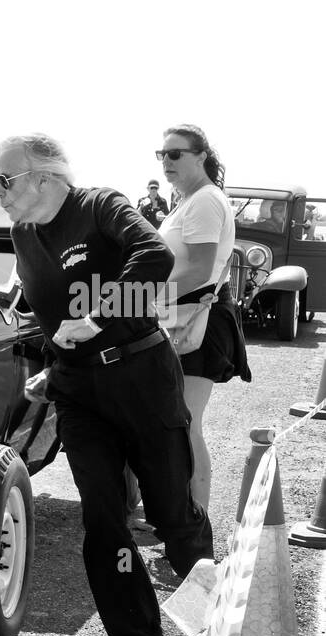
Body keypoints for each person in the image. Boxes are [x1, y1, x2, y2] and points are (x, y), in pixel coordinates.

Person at [0, 132, 213, 636]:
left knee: (170, 512)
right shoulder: (22, 235)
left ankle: (215, 615)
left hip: (141, 376)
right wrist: (54, 365)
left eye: (4, 180)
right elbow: (49, 314)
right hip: (79, 393)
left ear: (45, 178)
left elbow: (156, 255)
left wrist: (97, 314)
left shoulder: (99, 205)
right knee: (102, 519)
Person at [154, 124, 250, 514]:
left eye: (175, 154)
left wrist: (136, 299)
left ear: (201, 157)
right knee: (176, 426)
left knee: (187, 427)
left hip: (198, 319)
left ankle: (197, 522)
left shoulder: (205, 201)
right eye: (161, 155)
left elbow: (198, 269)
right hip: (184, 317)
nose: (166, 162)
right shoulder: (190, 200)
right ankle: (181, 516)